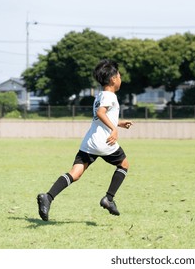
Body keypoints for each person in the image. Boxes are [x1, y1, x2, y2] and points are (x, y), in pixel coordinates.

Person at [37, 59, 133, 221]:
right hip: (104, 142)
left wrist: (119, 123)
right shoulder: (110, 96)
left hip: (90, 141)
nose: (120, 79)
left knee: (75, 172)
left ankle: (48, 197)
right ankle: (108, 199)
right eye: (119, 75)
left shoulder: (100, 95)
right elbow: (102, 113)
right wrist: (114, 129)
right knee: (124, 165)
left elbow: (102, 115)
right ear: (113, 79)